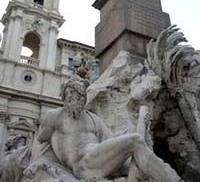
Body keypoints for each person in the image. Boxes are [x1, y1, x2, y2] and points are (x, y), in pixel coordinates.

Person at [23, 77, 181, 182]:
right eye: (66, 94)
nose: (69, 96)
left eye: (73, 92)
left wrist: (139, 125)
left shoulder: (94, 119)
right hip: (83, 165)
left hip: (100, 160)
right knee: (134, 141)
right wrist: (38, 165)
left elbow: (110, 141)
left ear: (82, 95)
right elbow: (39, 142)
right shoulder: (55, 116)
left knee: (137, 164)